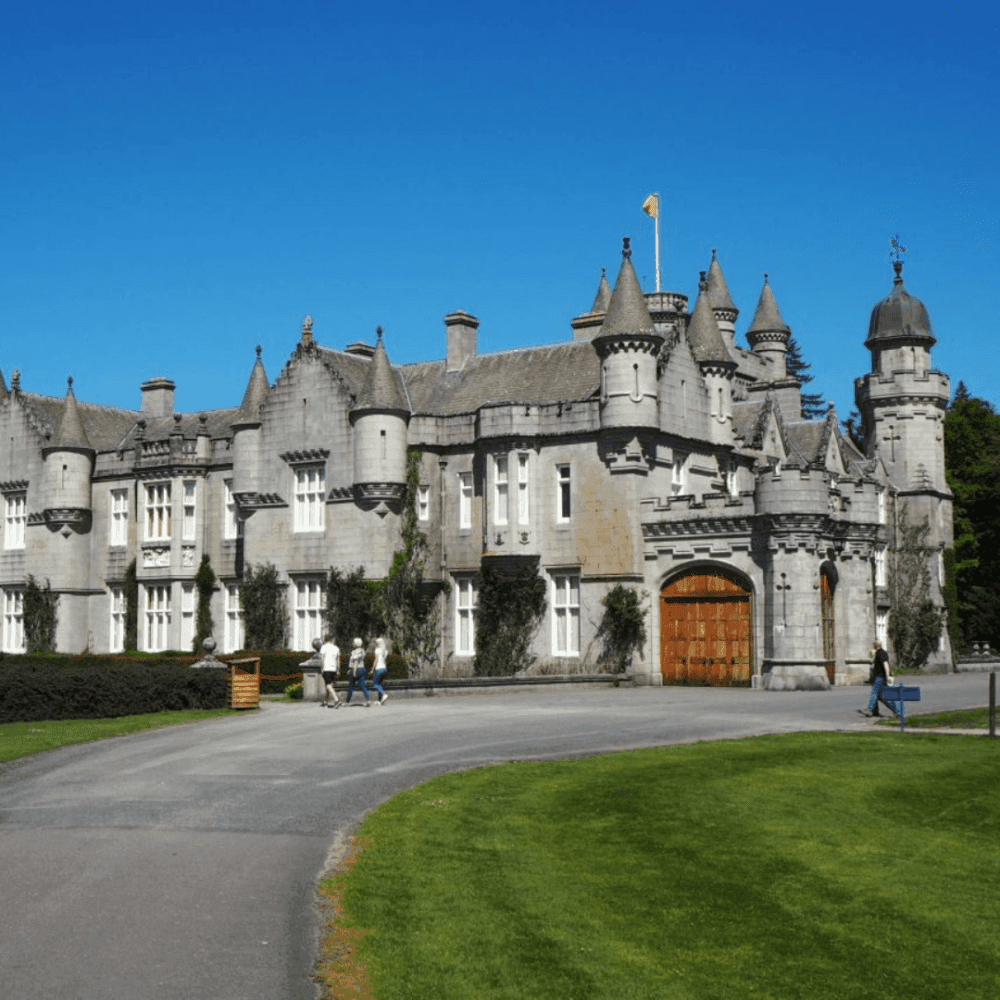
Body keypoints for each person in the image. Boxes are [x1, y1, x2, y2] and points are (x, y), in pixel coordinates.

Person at [860, 640, 895, 717]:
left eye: (873, 645)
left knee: (874, 693)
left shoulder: (881, 653)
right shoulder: (879, 653)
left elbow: (885, 665)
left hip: (880, 678)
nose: (873, 647)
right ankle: (896, 710)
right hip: (880, 677)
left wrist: (888, 676)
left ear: (876, 645)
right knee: (882, 697)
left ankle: (869, 709)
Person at [345, 638, 371, 707]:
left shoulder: (355, 651)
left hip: (356, 669)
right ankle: (368, 700)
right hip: (362, 669)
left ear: (356, 643)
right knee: (363, 686)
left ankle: (347, 702)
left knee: (351, 686)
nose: (352, 643)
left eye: (353, 642)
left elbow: (355, 661)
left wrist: (353, 671)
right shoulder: (362, 651)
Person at [319, 634, 341, 709]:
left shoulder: (324, 647)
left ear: (325, 640)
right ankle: (326, 701)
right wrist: (338, 670)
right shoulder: (336, 648)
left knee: (328, 685)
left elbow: (322, 659)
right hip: (334, 668)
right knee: (329, 685)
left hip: (326, 668)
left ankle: (336, 699)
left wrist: (321, 668)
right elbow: (338, 660)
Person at [371, 637, 389, 704]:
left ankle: (383, 694)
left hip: (379, 668)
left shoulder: (377, 650)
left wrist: (372, 669)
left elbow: (376, 660)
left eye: (376, 643)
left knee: (374, 683)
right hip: (384, 669)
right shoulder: (385, 651)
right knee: (379, 684)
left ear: (378, 643)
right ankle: (380, 700)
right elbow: (385, 661)